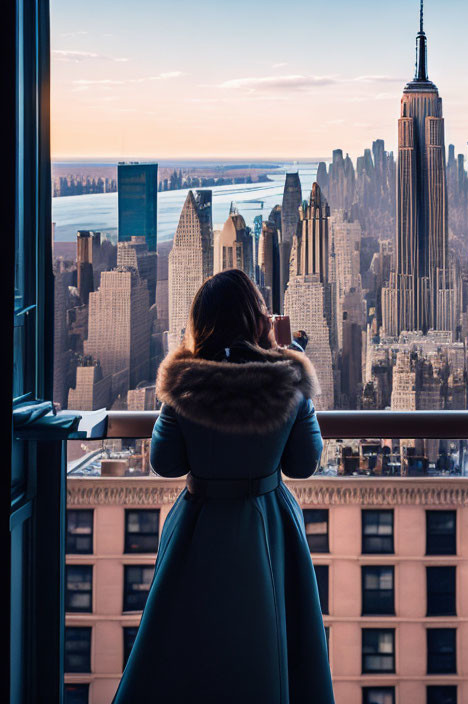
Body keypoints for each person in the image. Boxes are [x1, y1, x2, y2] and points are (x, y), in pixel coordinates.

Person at [113, 269, 335, 704]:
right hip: (265, 526)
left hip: (197, 526)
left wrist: (179, 393)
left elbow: (165, 462)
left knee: (180, 651)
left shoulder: (186, 384)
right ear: (258, 318)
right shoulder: (286, 381)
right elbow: (305, 463)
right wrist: (291, 357)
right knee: (268, 649)